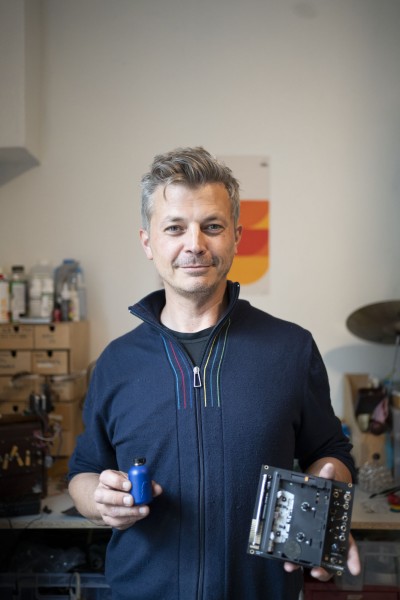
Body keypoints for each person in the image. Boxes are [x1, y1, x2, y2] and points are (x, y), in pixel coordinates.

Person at [68, 147, 360, 600]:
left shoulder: (291, 348)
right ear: (147, 242)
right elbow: (84, 471)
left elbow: (331, 452)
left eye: (213, 226)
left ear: (236, 237)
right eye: (174, 228)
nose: (195, 244)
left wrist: (328, 492)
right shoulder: (116, 363)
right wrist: (99, 501)